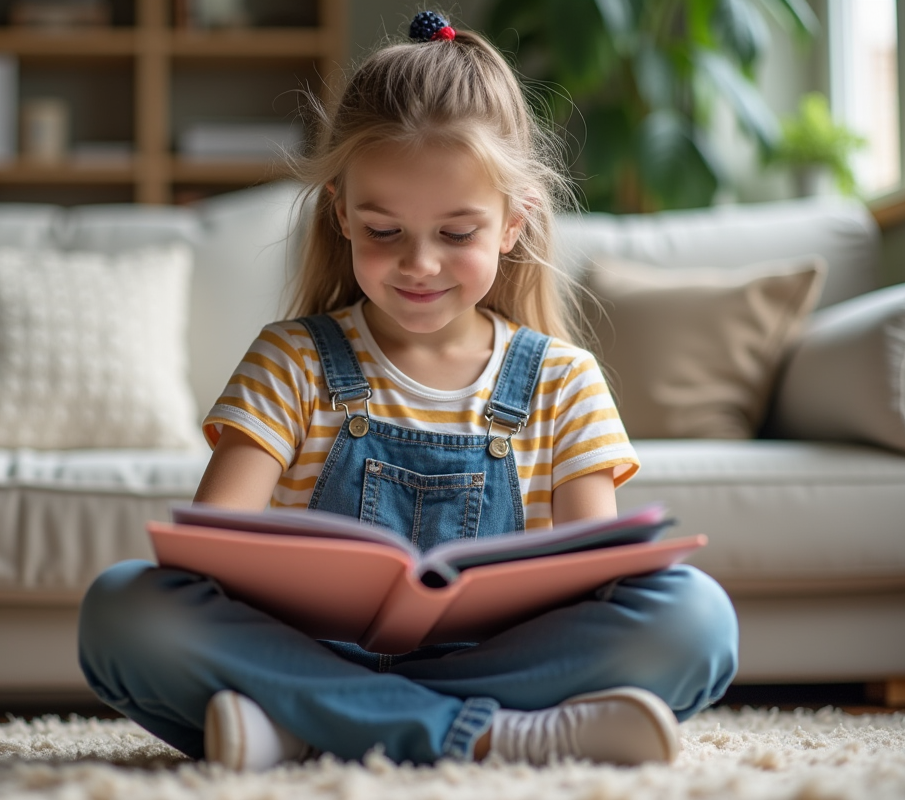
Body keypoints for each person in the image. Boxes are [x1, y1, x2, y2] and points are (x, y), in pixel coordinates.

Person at [78, 11, 738, 772]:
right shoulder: (291, 361)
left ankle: (306, 728)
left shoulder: (563, 380)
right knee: (124, 609)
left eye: (457, 234)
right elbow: (212, 552)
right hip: (306, 650)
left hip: (486, 659)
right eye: (384, 231)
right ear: (341, 214)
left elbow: (592, 585)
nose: (419, 264)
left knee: (695, 618)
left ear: (513, 223)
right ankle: (492, 737)